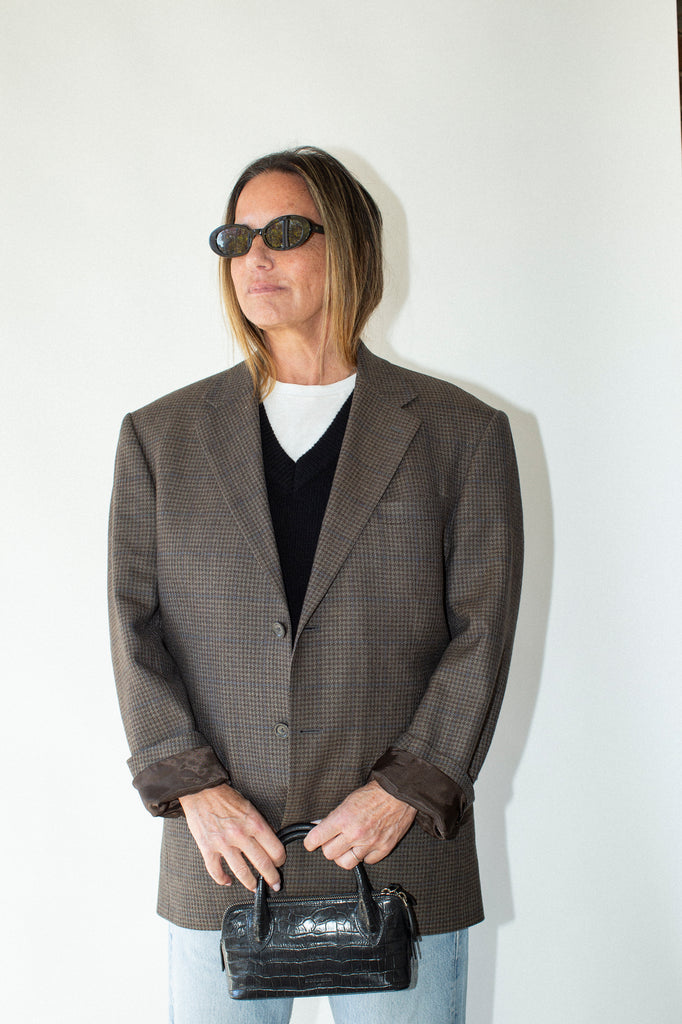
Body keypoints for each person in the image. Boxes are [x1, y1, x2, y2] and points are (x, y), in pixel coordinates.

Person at [108, 146, 523, 1024]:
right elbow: (132, 627)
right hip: (224, 853)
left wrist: (407, 787)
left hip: (397, 849)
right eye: (237, 237)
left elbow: (481, 630)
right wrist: (195, 789)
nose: (255, 257)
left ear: (353, 249)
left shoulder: (460, 434)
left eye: (286, 232)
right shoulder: (162, 437)